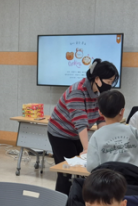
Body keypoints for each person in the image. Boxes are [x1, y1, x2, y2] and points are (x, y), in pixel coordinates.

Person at [48, 59, 119, 194]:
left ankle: (76, 200)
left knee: (81, 171)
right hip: (60, 134)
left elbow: (100, 118)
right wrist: (87, 148)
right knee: (66, 172)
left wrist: (104, 142)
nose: (109, 85)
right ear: (97, 79)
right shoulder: (77, 91)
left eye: (112, 82)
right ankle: (61, 203)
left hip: (76, 135)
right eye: (108, 81)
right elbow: (80, 123)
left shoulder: (99, 92)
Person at [86, 90, 138, 171]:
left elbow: (91, 167)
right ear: (122, 111)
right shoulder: (132, 131)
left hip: (108, 178)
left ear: (100, 113)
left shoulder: (96, 136)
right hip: (132, 178)